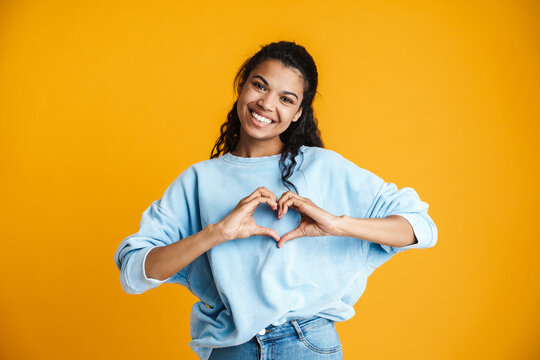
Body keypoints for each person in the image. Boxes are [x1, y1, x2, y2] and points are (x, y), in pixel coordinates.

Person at [114, 41, 437, 360]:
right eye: (260, 86)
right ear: (242, 86)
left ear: (298, 113)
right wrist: (217, 233)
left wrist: (337, 224)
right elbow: (133, 273)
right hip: (231, 348)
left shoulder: (323, 167)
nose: (267, 104)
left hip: (307, 345)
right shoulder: (199, 180)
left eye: (286, 98)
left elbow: (421, 228)